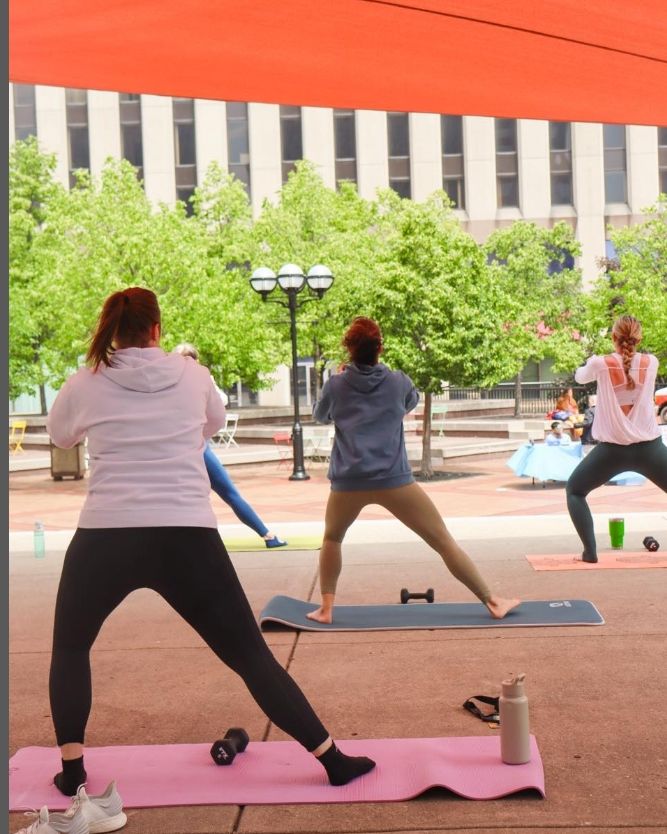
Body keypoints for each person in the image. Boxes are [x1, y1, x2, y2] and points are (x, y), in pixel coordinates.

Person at [45, 287, 375, 798]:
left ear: (112, 328)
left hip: (106, 533)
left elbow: (61, 436)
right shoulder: (194, 376)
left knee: (70, 648)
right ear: (157, 328)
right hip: (186, 535)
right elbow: (212, 426)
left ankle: (73, 772)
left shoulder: (86, 381)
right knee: (249, 654)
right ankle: (331, 758)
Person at [306, 316, 520, 624]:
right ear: (380, 347)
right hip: (395, 480)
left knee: (332, 539)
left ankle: (326, 609)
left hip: (348, 482)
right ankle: (493, 600)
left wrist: (343, 391)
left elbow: (320, 416)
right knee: (443, 541)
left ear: (348, 349)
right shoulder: (399, 381)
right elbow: (408, 403)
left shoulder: (336, 385)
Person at [566, 315, 667, 562]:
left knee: (575, 491)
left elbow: (579, 377)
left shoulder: (601, 364)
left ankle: (590, 552)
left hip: (612, 451)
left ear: (613, 337)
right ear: (639, 338)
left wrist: (592, 361)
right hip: (650, 449)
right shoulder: (651, 362)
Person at [172, 343, 287, 549]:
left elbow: (219, 406)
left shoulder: (192, 382)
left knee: (222, 493)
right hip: (194, 446)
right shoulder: (187, 382)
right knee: (223, 493)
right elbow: (217, 413)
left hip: (192, 447)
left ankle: (266, 534)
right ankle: (267, 535)